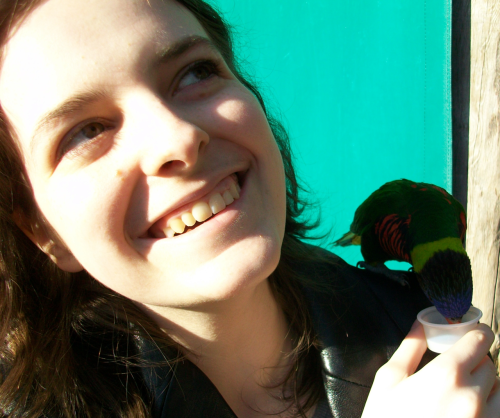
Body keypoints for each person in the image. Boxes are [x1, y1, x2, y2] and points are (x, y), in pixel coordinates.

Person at [0, 0, 498, 417]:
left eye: (195, 71)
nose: (178, 137)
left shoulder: (415, 334)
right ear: (42, 230)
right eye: (85, 132)